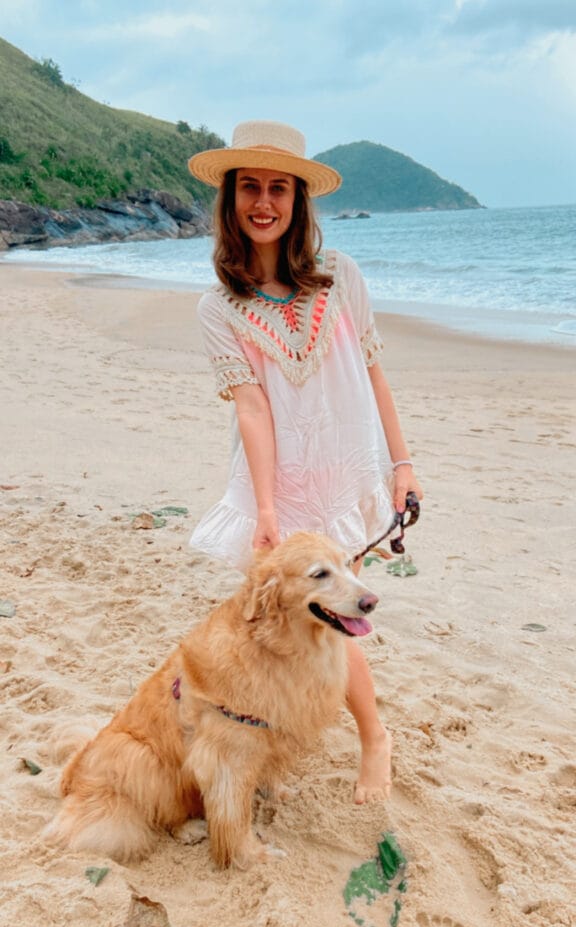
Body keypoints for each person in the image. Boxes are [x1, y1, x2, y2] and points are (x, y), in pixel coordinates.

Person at [187, 120, 423, 803]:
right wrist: (263, 509)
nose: (265, 202)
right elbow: (252, 410)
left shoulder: (341, 277)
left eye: (279, 189)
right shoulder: (218, 307)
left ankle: (374, 736)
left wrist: (401, 464)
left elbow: (375, 372)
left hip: (344, 470)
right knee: (281, 626)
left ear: (298, 200)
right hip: (278, 485)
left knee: (339, 619)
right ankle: (272, 736)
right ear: (231, 200)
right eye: (251, 188)